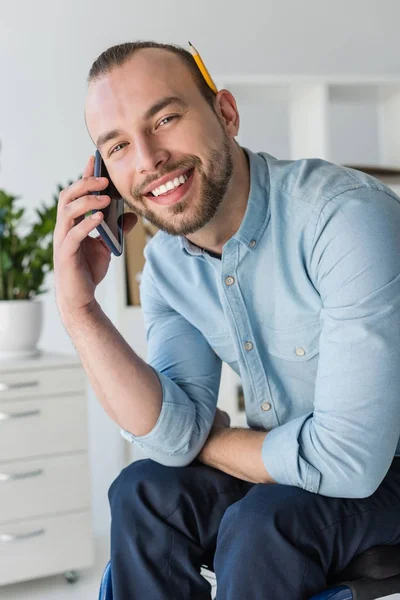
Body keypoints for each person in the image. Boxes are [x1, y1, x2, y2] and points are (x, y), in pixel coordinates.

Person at [53, 41, 400, 600]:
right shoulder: (167, 264)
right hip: (293, 465)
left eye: (165, 118)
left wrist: (207, 440)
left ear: (226, 114)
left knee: (263, 525)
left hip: (386, 467)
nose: (147, 159)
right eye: (116, 146)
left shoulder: (345, 217)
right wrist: (79, 311)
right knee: (141, 492)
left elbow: (351, 462)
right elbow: (170, 442)